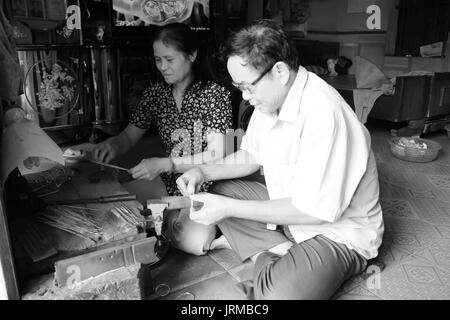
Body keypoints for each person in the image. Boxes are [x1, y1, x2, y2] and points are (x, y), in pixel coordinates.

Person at [176, 20, 384, 300]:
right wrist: (202, 171)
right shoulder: (270, 99)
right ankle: (281, 254)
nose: (246, 98)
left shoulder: (324, 115)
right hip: (289, 210)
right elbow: (250, 155)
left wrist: (228, 209)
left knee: (278, 296)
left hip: (337, 232)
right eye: (240, 88)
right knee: (218, 190)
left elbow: (312, 211)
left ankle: (269, 256)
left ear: (280, 71)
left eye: (247, 87)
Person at [92, 22, 233, 255]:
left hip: (203, 185)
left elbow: (218, 154)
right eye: (158, 60)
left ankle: (201, 224)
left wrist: (166, 164)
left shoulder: (214, 95)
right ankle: (170, 218)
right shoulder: (155, 94)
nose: (163, 67)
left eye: (169, 59)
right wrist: (106, 147)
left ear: (192, 54)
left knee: (193, 243)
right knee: (115, 209)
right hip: (167, 183)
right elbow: (128, 137)